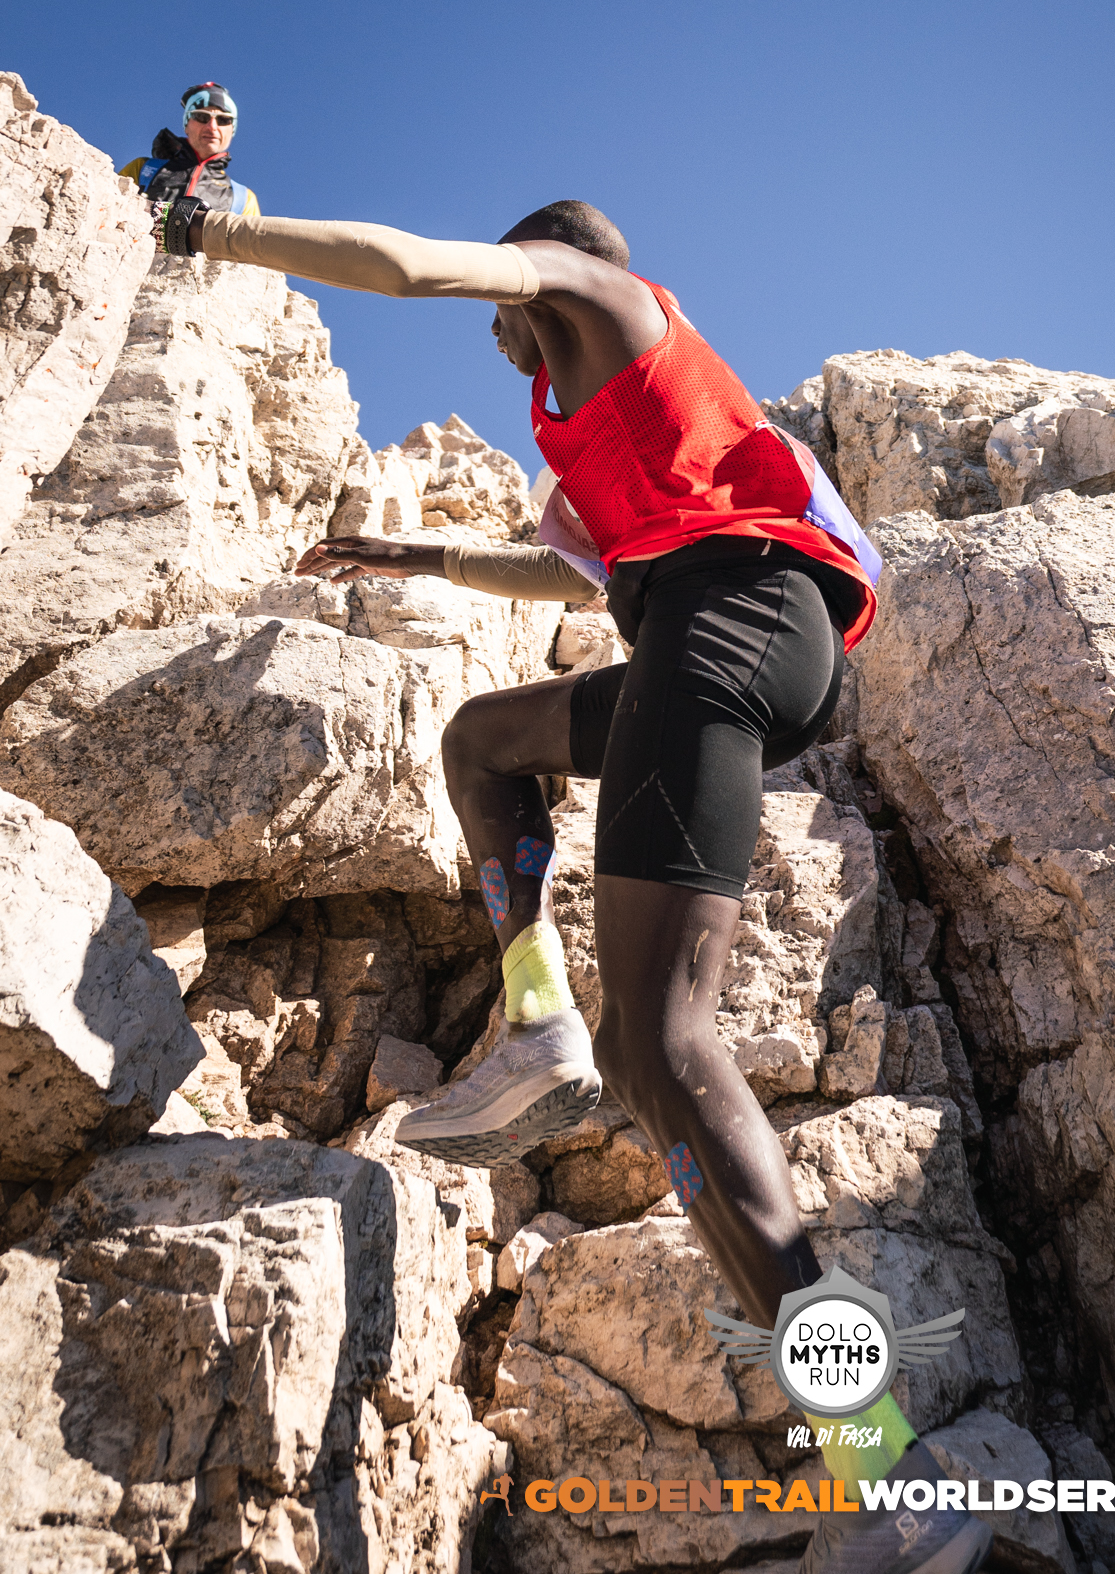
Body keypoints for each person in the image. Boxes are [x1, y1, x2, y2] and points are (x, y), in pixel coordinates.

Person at [154, 185, 987, 1574]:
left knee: (667, 1045)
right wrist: (406, 553)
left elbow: (413, 263)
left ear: (548, 276)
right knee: (484, 742)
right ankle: (540, 1021)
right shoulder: (614, 431)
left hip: (731, 626)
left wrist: (224, 229)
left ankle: (891, 1470)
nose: (495, 320)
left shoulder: (602, 294)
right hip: (734, 638)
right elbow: (574, 570)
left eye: (508, 301)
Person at [121, 82, 260, 216]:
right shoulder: (142, 170)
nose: (212, 126)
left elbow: (251, 240)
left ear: (232, 129)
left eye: (223, 119)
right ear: (186, 124)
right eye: (201, 116)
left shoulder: (244, 201)